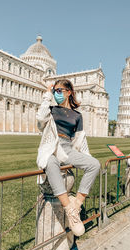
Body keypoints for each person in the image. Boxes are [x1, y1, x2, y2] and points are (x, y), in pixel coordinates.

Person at [36, 79, 100, 236]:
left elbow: (80, 140)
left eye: (59, 91)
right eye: (55, 91)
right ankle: (69, 211)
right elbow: (39, 120)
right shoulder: (51, 109)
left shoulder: (77, 115)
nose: (56, 94)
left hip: (68, 149)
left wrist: (86, 157)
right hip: (52, 146)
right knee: (50, 162)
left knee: (94, 164)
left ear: (69, 92)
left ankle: (76, 205)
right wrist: (47, 94)